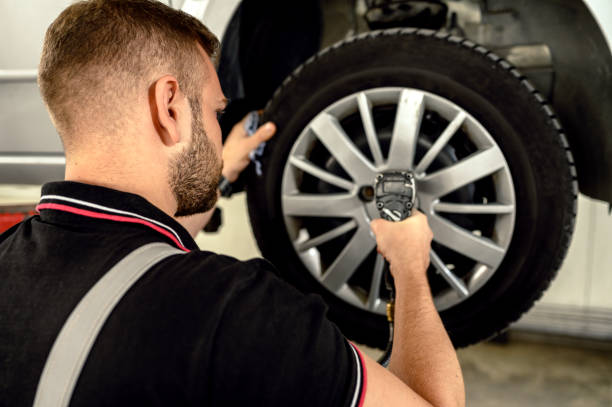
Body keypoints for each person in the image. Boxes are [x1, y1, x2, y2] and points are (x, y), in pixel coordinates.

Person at [0, 1, 464, 406]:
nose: (221, 127)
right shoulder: (239, 311)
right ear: (169, 107)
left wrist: (215, 170)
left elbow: (129, 266)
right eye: (216, 111)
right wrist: (408, 266)